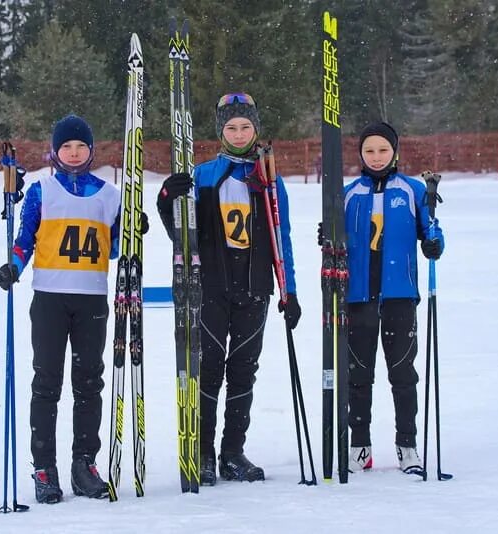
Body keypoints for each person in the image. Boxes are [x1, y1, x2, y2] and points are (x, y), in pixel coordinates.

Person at [0, 114, 148, 504]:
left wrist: (132, 227)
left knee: (89, 384)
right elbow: (25, 237)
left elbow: (114, 249)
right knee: (46, 383)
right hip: (49, 299)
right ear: (55, 150)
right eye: (67, 147)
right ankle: (45, 467)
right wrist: (13, 266)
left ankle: (85, 463)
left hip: (92, 299)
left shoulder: (110, 195)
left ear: (91, 151)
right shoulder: (42, 191)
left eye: (81, 147)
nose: (74, 154)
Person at [156, 93, 302, 486]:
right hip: (212, 287)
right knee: (208, 371)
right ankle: (203, 452)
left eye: (245, 127)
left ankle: (232, 452)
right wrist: (166, 199)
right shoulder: (204, 175)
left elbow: (280, 236)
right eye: (231, 128)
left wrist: (290, 291)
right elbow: (182, 236)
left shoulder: (268, 178)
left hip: (255, 287)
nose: (239, 134)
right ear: (220, 131)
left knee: (243, 372)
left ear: (256, 129)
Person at [320, 121, 444, 475]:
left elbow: (432, 234)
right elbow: (335, 241)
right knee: (358, 375)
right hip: (357, 296)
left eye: (383, 150)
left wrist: (434, 243)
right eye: (369, 151)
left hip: (399, 295)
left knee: (402, 373)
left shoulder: (413, 190)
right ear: (360, 153)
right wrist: (326, 234)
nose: (376, 157)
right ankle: (359, 444)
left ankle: (407, 445)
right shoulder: (347, 193)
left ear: (395, 152)